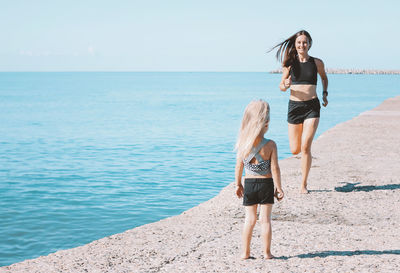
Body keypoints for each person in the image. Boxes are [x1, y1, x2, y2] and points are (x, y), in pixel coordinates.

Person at [271, 30, 328, 194]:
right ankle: (303, 162)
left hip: (312, 106)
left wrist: (325, 93)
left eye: (305, 42)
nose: (302, 45)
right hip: (294, 108)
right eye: (299, 42)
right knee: (295, 149)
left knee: (305, 147)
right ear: (295, 45)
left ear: (309, 44)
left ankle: (303, 184)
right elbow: (281, 86)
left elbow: (324, 78)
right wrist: (286, 84)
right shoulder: (289, 63)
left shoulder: (317, 63)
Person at [234, 100, 284, 260]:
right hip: (266, 184)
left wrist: (237, 184)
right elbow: (275, 168)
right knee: (265, 220)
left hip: (249, 184)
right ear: (266, 123)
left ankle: (245, 252)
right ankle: (267, 253)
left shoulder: (243, 144)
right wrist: (279, 188)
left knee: (249, 219)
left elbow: (238, 167)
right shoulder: (271, 145)